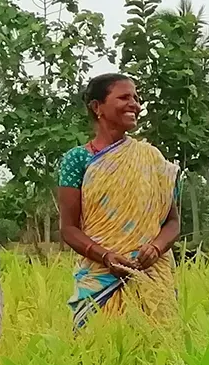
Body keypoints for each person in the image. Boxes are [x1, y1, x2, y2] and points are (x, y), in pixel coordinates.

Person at [57, 73, 180, 327]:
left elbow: (172, 222)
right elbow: (68, 229)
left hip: (151, 276)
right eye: (124, 97)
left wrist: (156, 247)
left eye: (136, 98)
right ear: (97, 107)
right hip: (100, 278)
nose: (135, 104)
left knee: (156, 356)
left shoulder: (152, 158)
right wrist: (106, 257)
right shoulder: (77, 160)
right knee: (98, 357)